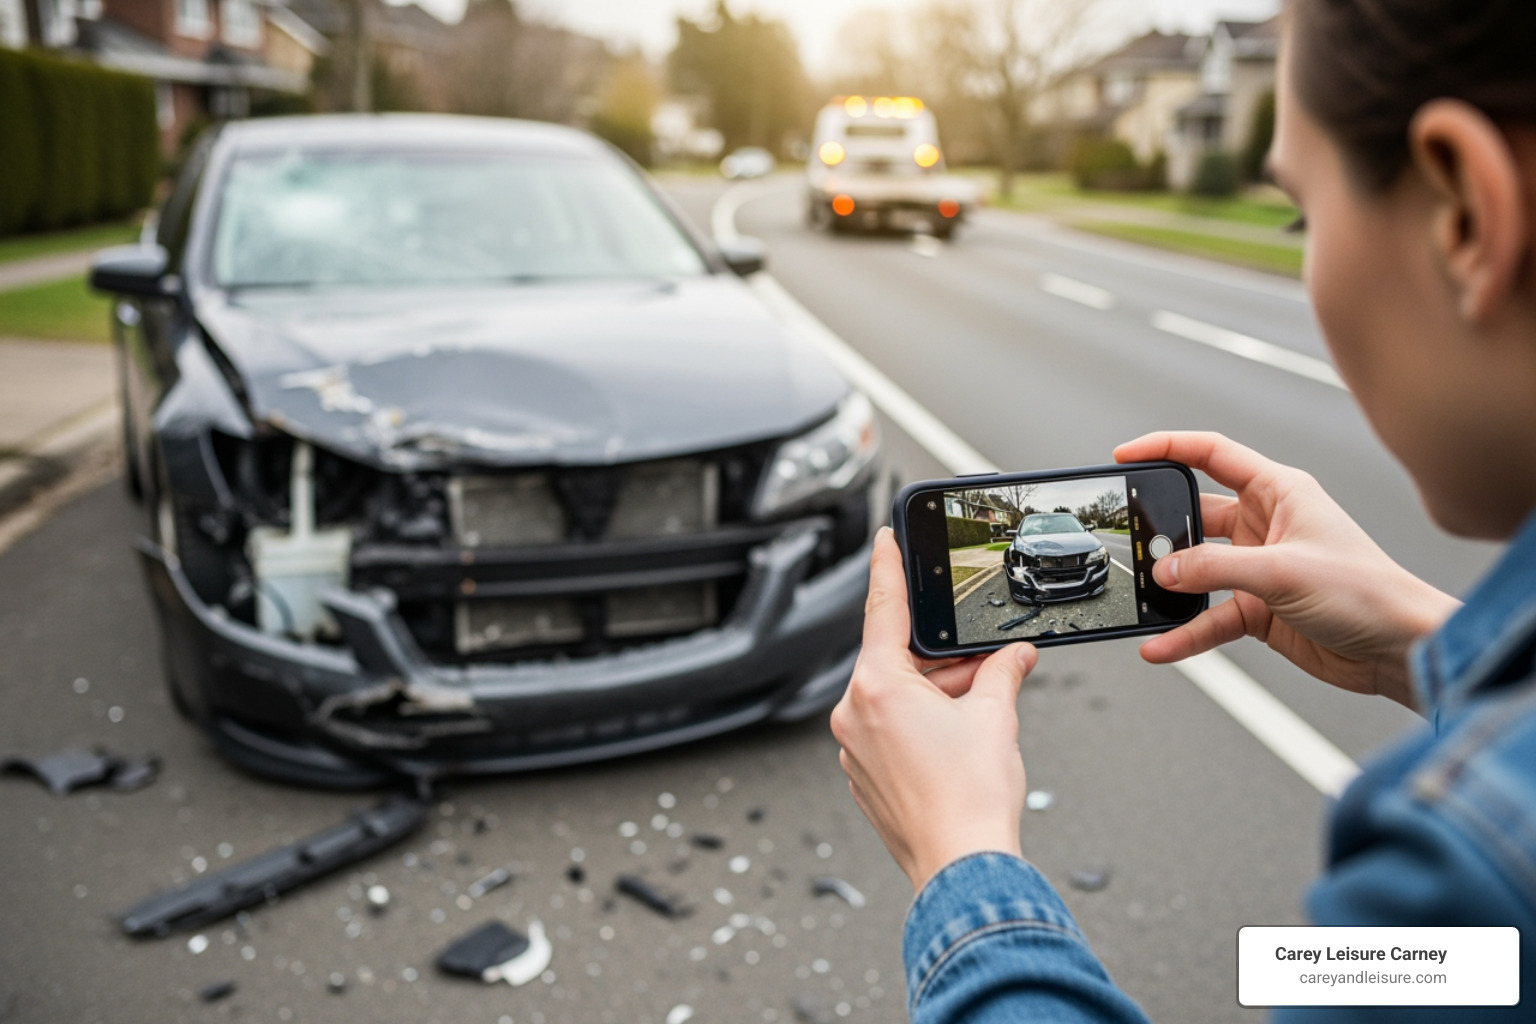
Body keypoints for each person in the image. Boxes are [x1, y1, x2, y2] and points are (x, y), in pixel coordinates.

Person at [829, 1, 1536, 1020]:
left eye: (1303, 211)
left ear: (1466, 212)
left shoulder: (1463, 867)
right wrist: (1425, 647)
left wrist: (961, 863)